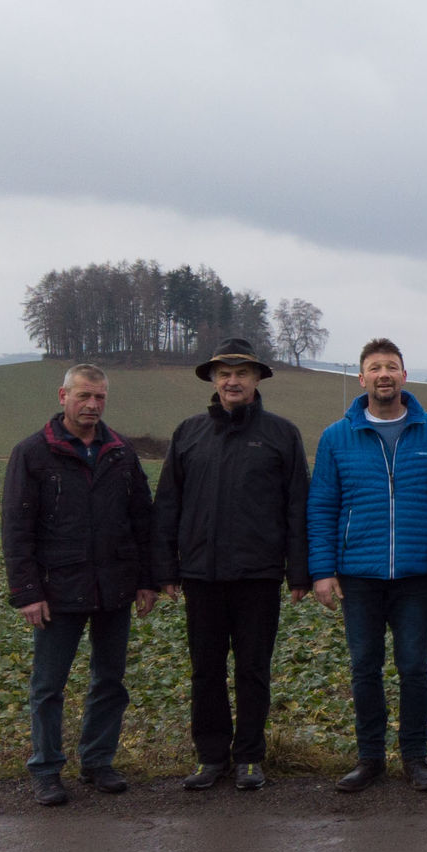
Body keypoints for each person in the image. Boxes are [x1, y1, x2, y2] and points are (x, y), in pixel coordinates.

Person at [153, 338, 311, 792]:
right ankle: (209, 757)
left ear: (258, 378)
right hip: (200, 575)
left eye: (242, 372)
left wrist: (297, 571)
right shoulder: (189, 433)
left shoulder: (282, 434)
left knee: (253, 669)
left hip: (258, 575)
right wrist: (166, 569)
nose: (232, 380)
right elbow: (168, 504)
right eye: (224, 372)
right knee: (205, 669)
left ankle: (249, 758)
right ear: (213, 379)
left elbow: (297, 507)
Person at [1, 364, 156, 806]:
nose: (92, 405)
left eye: (100, 398)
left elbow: (141, 520)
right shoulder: (32, 453)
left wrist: (145, 580)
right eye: (84, 396)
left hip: (114, 586)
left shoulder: (121, 452)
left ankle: (98, 761)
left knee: (110, 680)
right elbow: (16, 528)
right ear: (62, 395)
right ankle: (47, 769)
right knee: (48, 685)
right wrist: (27, 592)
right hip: (56, 589)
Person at [308, 339, 427, 793]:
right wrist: (322, 570)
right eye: (375, 368)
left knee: (414, 667)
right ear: (362, 379)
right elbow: (322, 507)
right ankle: (369, 758)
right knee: (364, 668)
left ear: (404, 377)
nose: (384, 374)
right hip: (359, 573)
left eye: (392, 367)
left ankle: (415, 758)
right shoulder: (337, 436)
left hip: (414, 573)